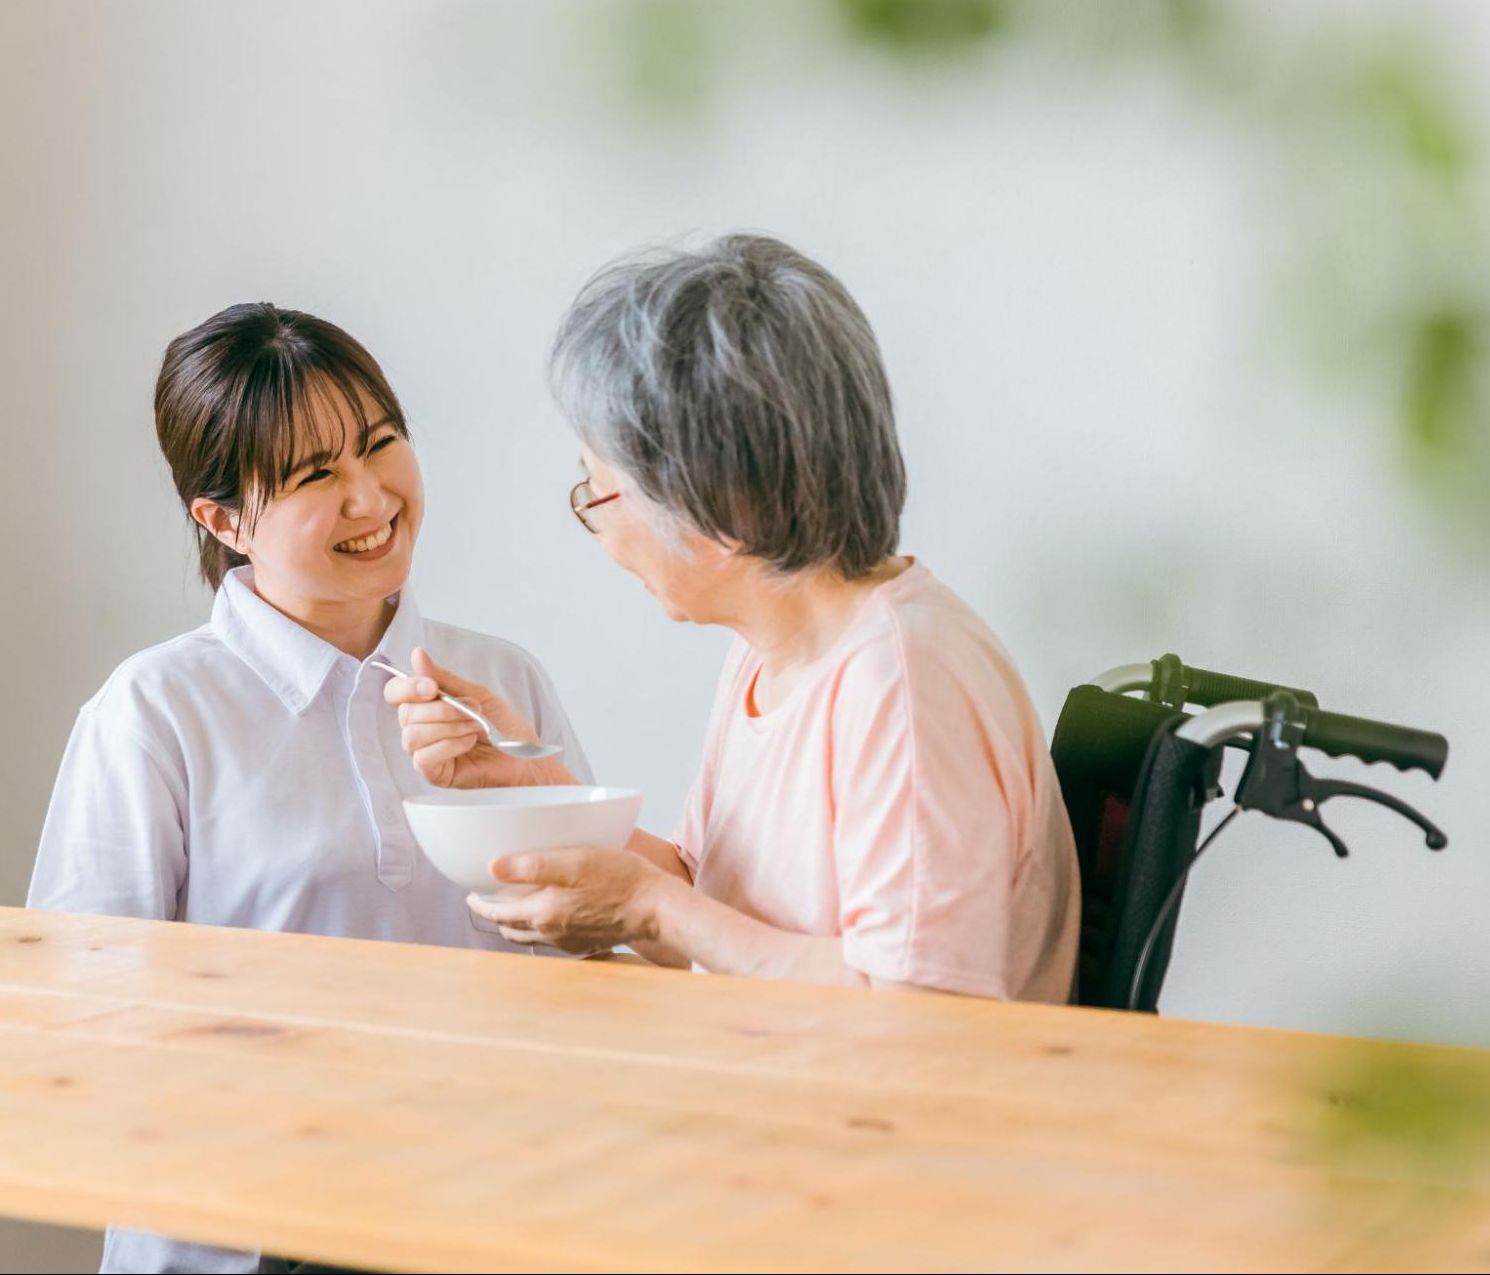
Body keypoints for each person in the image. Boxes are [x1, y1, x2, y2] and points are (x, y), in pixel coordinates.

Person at [29, 302, 587, 1273]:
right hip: (236, 1240)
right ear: (221, 518)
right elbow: (80, 1016)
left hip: (481, 1217)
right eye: (314, 475)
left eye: (379, 447)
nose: (369, 499)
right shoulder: (155, 713)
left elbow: (588, 946)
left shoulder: (503, 680)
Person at [389, 236, 1078, 1001]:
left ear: (721, 506)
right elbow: (711, 897)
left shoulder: (902, 679)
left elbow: (919, 1005)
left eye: (600, 494)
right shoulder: (773, 651)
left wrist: (652, 909)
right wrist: (534, 784)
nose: (602, 533)